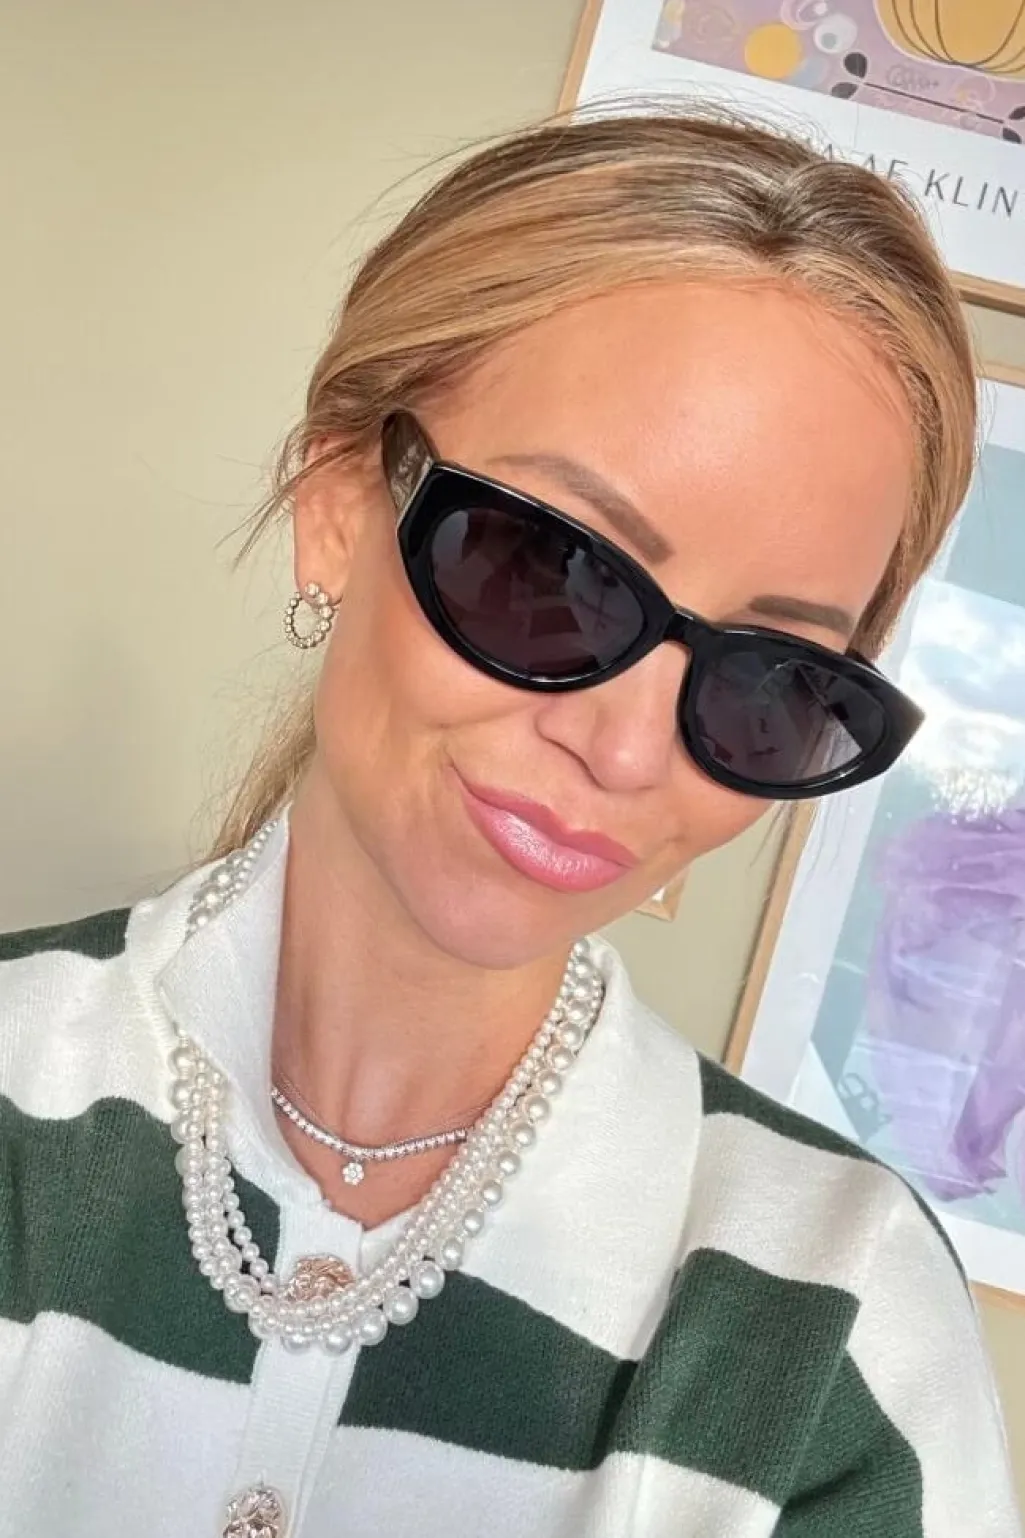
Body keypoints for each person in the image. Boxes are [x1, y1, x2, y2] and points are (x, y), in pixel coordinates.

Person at [0, 109, 1019, 1538]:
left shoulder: (839, 1331)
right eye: (549, 568)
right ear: (339, 503)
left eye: (771, 679)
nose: (625, 748)